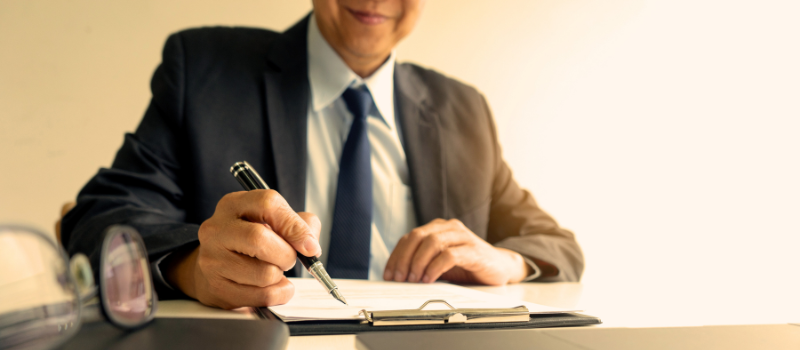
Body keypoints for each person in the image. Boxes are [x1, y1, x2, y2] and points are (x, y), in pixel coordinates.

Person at [62, 0, 584, 310]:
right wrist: (191, 268)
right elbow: (97, 219)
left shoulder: (464, 109)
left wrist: (505, 261)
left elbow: (557, 245)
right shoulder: (204, 71)